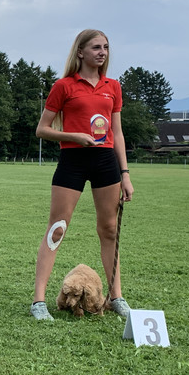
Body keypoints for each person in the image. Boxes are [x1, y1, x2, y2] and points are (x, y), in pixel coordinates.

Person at [30, 29, 134, 321]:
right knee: (57, 229)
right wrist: (73, 136)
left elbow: (117, 133)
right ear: (80, 52)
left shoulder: (113, 86)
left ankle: (116, 297)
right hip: (73, 160)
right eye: (96, 47)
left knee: (109, 229)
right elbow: (42, 129)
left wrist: (125, 174)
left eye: (106, 47)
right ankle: (38, 302)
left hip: (105, 162)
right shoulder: (63, 86)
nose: (102, 52)